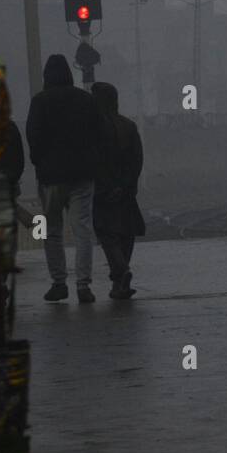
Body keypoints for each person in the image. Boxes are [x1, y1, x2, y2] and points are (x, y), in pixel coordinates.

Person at [25, 55, 103, 303]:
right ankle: (83, 285)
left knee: (53, 231)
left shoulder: (40, 102)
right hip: (82, 175)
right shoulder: (85, 100)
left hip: (51, 178)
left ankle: (59, 283)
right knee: (82, 230)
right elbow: (98, 134)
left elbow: (33, 137)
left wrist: (41, 164)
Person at [90, 82, 145, 299]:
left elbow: (94, 161)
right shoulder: (129, 126)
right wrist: (127, 185)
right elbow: (137, 160)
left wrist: (103, 186)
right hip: (126, 189)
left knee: (106, 233)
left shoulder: (94, 129)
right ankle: (119, 281)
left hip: (104, 190)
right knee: (126, 233)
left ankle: (121, 272)